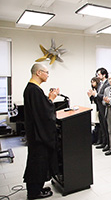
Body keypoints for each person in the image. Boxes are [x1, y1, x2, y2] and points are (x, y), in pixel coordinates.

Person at [23, 63, 58, 199]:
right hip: (38, 135)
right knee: (38, 161)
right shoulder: (34, 90)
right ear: (38, 73)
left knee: (38, 161)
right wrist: (51, 99)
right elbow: (44, 113)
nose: (48, 75)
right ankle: (34, 192)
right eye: (46, 72)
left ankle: (37, 187)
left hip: (35, 133)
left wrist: (48, 99)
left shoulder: (32, 89)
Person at [92, 68, 110, 151]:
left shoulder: (107, 84)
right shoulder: (100, 84)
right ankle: (104, 142)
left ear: (104, 75)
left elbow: (105, 96)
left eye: (99, 74)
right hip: (99, 108)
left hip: (105, 108)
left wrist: (96, 95)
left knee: (106, 127)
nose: (98, 76)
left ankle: (108, 144)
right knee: (102, 126)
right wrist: (92, 96)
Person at [87, 77, 101, 145]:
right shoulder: (94, 89)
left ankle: (99, 140)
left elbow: (98, 100)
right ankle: (96, 139)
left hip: (99, 108)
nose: (92, 84)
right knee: (96, 125)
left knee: (99, 126)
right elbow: (93, 101)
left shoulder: (98, 89)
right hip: (95, 108)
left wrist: (94, 95)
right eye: (91, 82)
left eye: (93, 82)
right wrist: (90, 96)